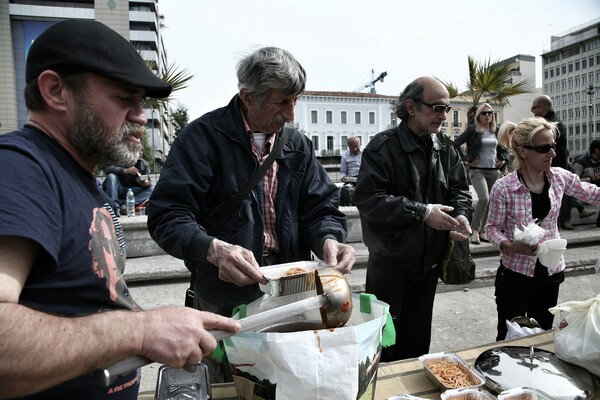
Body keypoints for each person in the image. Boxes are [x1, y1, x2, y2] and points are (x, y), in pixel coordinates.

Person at [0, 20, 240, 399]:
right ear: (55, 90)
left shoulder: (77, 176)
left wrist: (164, 325)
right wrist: (142, 330)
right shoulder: (19, 169)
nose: (141, 115)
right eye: (124, 97)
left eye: (141, 101)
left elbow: (86, 300)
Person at [147, 47, 355, 379]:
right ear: (247, 97)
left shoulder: (297, 145)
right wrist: (214, 250)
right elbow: (167, 215)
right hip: (223, 296)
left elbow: (320, 207)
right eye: (280, 103)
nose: (290, 114)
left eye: (295, 101)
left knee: (286, 377)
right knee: (231, 380)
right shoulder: (201, 139)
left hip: (290, 290)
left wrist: (329, 238)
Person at [354, 76, 473, 362]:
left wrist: (461, 216)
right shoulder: (381, 147)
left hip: (428, 266)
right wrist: (422, 212)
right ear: (411, 107)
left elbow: (460, 190)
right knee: (383, 350)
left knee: (418, 346)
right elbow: (369, 201)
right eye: (437, 108)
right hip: (390, 267)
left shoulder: (445, 147)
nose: (443, 116)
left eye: (446, 109)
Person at [486, 117, 600, 341]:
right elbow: (491, 229)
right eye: (544, 148)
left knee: (542, 337)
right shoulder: (504, 187)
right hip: (514, 275)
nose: (552, 153)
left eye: (553, 146)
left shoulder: (559, 178)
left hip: (550, 272)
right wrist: (511, 246)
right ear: (523, 151)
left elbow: (592, 194)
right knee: (509, 338)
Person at [531, 95, 596, 229]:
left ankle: (566, 218)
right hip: (556, 163)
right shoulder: (552, 122)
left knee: (562, 190)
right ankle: (577, 210)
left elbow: (552, 147)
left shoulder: (552, 124)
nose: (532, 111)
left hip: (555, 164)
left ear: (542, 107)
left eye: (534, 108)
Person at [454, 103, 509, 244]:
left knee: (491, 202)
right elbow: (455, 144)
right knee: (484, 198)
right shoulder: (473, 130)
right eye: (484, 113)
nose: (487, 115)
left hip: (493, 171)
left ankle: (484, 231)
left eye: (490, 113)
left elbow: (505, 147)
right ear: (478, 115)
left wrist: (502, 160)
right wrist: (467, 160)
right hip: (478, 171)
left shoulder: (496, 130)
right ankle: (475, 231)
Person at [103, 148, 154, 216]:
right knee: (111, 176)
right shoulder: (120, 158)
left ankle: (126, 206)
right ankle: (115, 207)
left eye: (142, 150)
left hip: (132, 191)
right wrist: (124, 171)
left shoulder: (144, 163)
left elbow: (149, 183)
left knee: (153, 189)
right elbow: (108, 169)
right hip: (119, 188)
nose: (141, 152)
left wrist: (146, 183)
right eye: (138, 150)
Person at [572, 139, 600, 227]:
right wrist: (590, 179)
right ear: (596, 150)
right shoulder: (580, 163)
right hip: (585, 190)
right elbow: (573, 182)